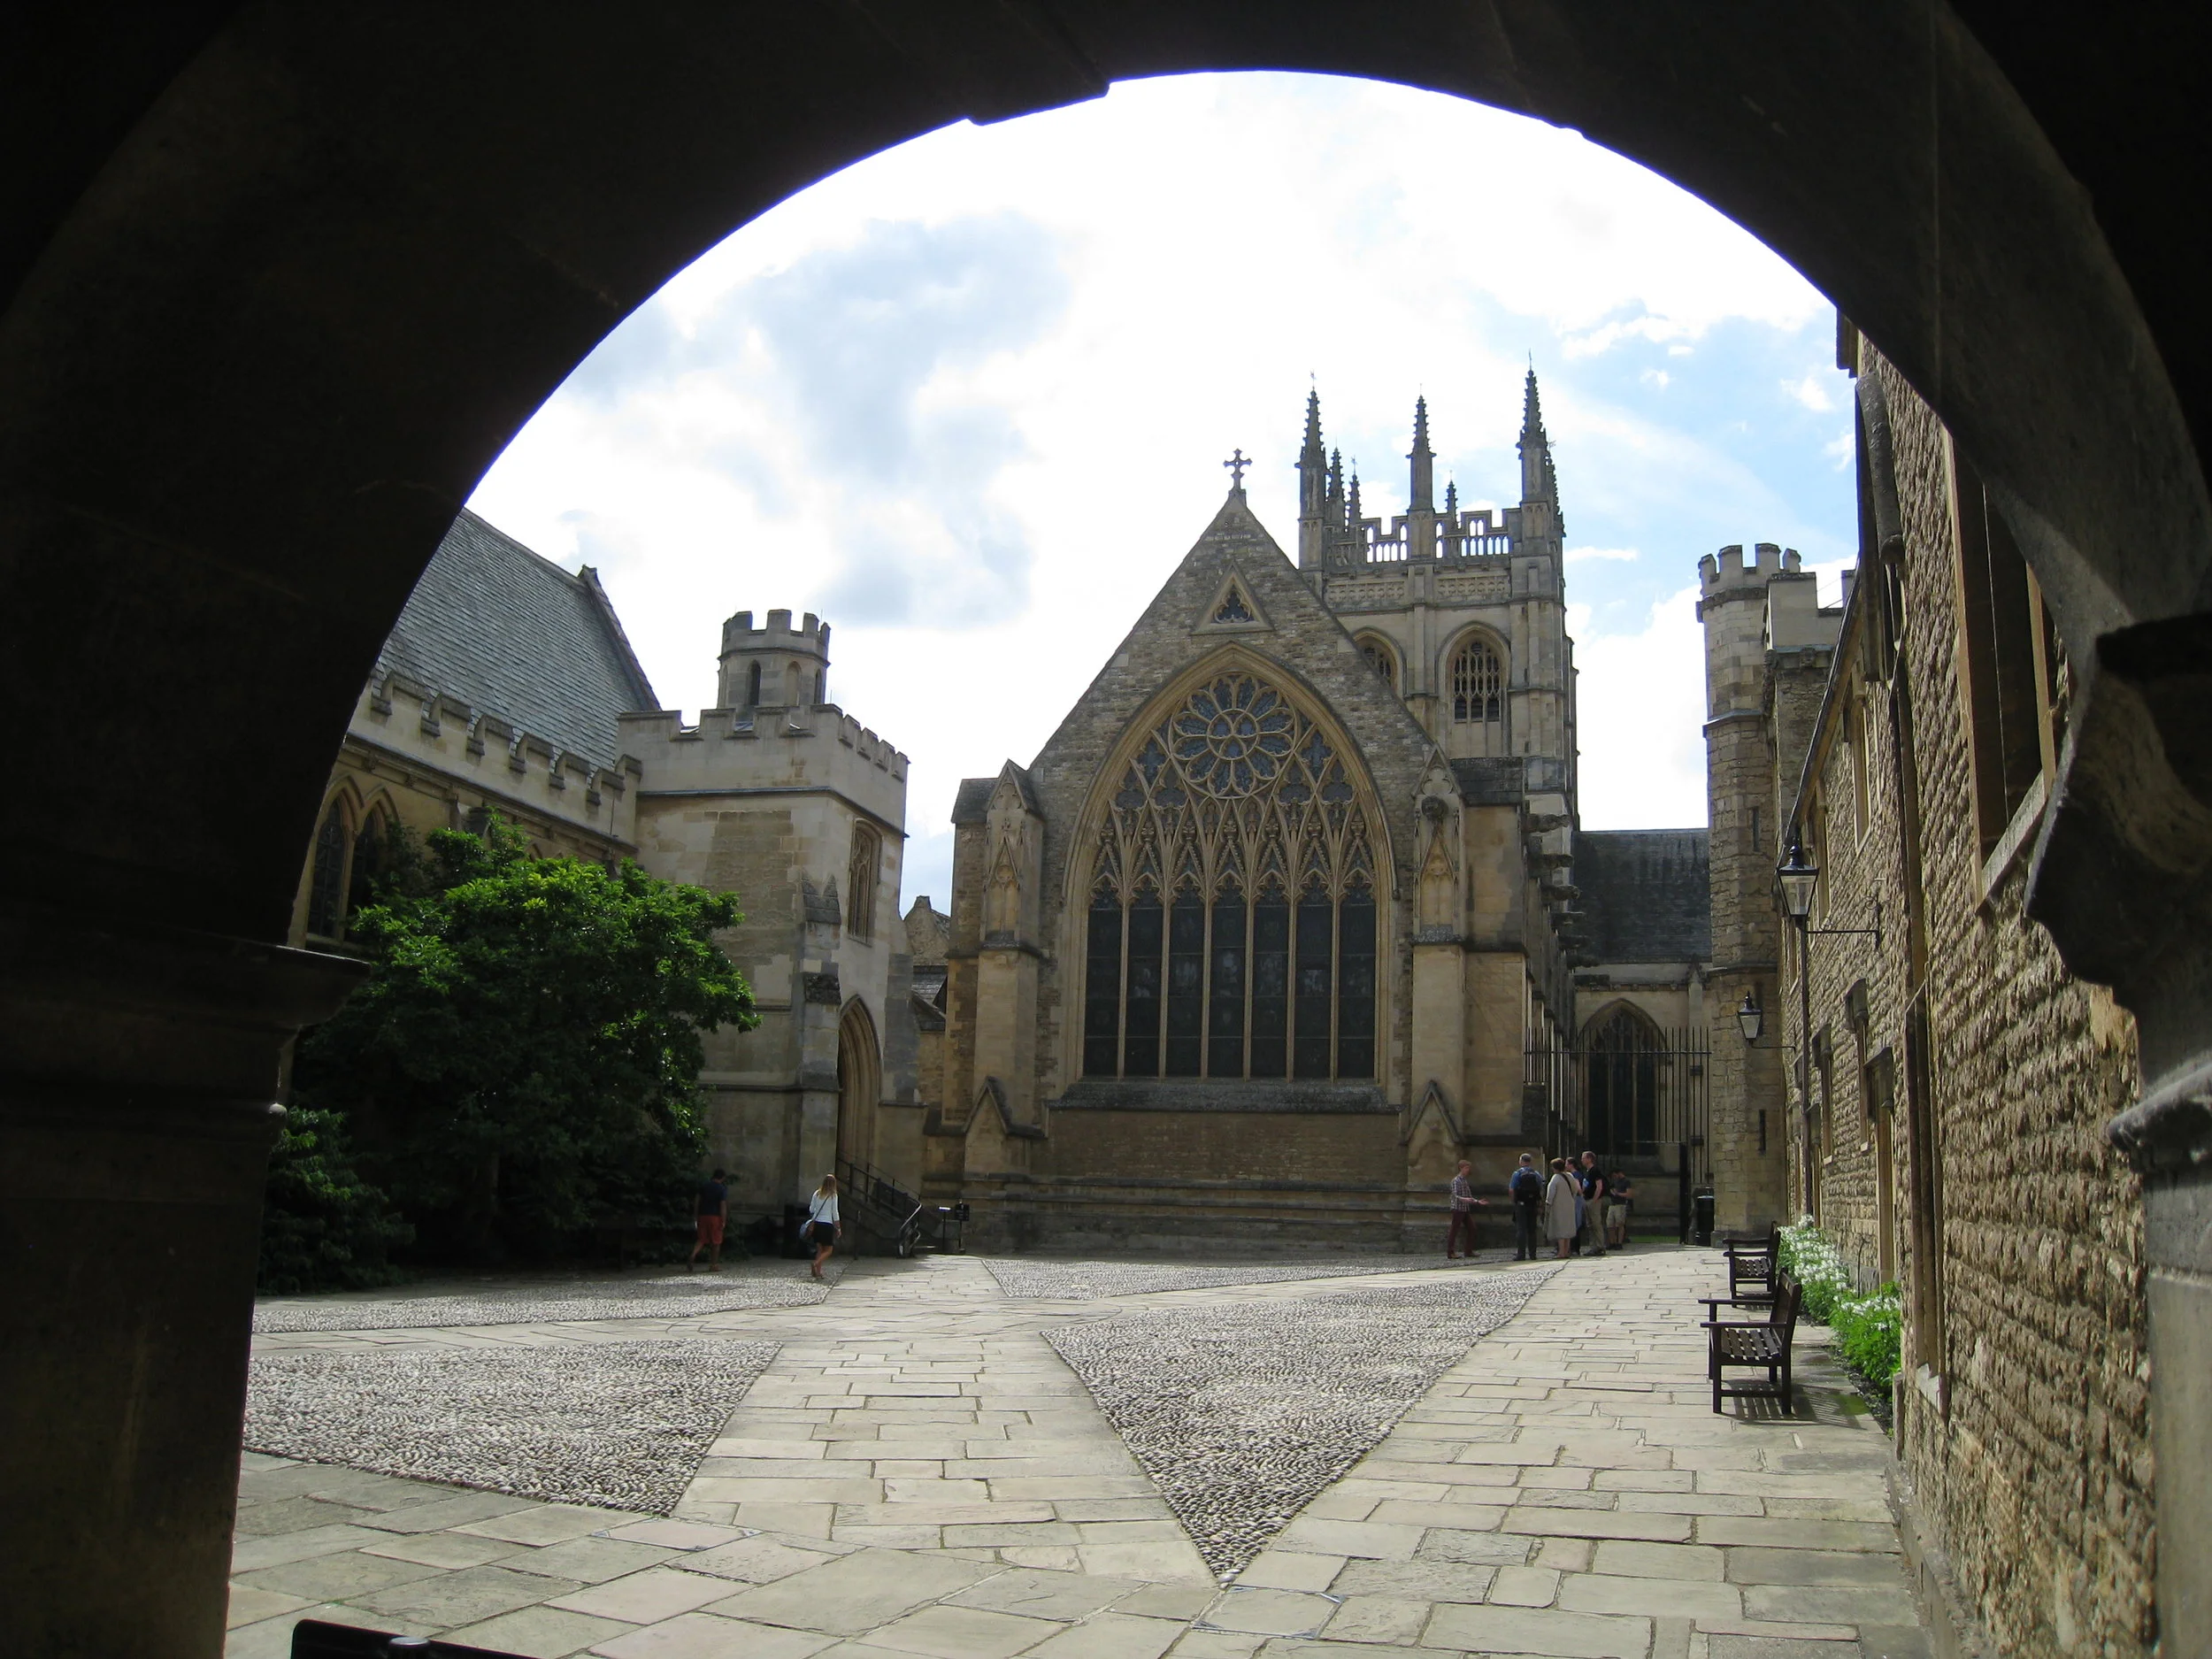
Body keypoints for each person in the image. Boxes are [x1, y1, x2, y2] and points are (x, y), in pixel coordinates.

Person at [688, 1167, 729, 1272]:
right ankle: (714, 1265)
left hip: (702, 1215)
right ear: (722, 1178)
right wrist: (723, 1220)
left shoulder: (704, 1186)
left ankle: (693, 1254)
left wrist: (696, 1215)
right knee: (716, 1242)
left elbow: (697, 1201)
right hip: (715, 1217)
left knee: (701, 1239)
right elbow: (722, 1205)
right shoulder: (722, 1189)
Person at [1446, 1159, 1489, 1259]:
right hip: (1458, 1208)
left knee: (1472, 1228)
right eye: (1466, 1168)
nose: (1468, 1170)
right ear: (1461, 1168)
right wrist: (1464, 1199)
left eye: (1468, 1168)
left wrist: (1478, 1202)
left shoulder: (1464, 1180)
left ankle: (1468, 1251)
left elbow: (1469, 1196)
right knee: (1454, 1230)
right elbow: (1455, 1195)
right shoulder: (1456, 1180)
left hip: (1465, 1209)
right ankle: (1450, 1252)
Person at [1508, 1153, 1546, 1261]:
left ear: (1521, 1162)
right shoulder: (1536, 1174)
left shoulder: (1517, 1174)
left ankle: (1521, 1254)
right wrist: (1539, 1203)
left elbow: (1511, 1189)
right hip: (1533, 1204)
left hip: (1521, 1204)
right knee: (1532, 1230)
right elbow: (1540, 1187)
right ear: (1530, 1162)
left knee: (1521, 1229)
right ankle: (1533, 1254)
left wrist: (1514, 1201)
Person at [804, 1173, 842, 1279]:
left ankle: (818, 1272)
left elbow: (811, 1209)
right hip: (827, 1225)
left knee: (820, 1249)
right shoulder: (833, 1195)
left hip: (817, 1224)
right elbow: (835, 1212)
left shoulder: (817, 1193)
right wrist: (838, 1228)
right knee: (829, 1250)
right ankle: (816, 1264)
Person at [1543, 1157, 1579, 1258]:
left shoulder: (1556, 1178)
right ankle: (1567, 1251)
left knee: (1560, 1230)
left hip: (1558, 1206)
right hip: (1569, 1204)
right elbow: (1575, 1190)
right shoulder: (1570, 1176)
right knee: (1568, 1229)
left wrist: (1548, 1204)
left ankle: (1561, 1252)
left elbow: (1551, 1194)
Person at [1578, 1151, 1608, 1258]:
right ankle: (1593, 1246)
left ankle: (1600, 1246)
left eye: (1583, 1158)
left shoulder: (1595, 1170)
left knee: (1596, 1224)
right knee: (1590, 1225)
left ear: (1589, 1159)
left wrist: (1595, 1199)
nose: (1582, 1160)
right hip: (1587, 1199)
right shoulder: (1587, 1171)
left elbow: (1599, 1186)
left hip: (1593, 1201)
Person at [1607, 1171, 1634, 1249]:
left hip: (1621, 1204)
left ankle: (1619, 1243)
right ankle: (1612, 1242)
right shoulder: (1615, 1182)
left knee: (1620, 1224)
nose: (1614, 1177)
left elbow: (1629, 1194)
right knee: (1610, 1224)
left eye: (1615, 1175)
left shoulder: (1626, 1181)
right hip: (1613, 1204)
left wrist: (1618, 1194)